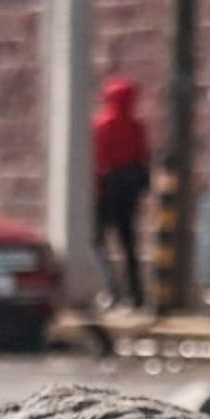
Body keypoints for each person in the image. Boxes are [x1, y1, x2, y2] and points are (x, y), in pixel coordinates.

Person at [91, 75, 149, 309]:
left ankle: (111, 287)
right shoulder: (136, 126)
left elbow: (97, 157)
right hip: (129, 190)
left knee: (97, 240)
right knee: (128, 241)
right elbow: (143, 155)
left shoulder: (102, 124)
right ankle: (136, 293)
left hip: (105, 189)